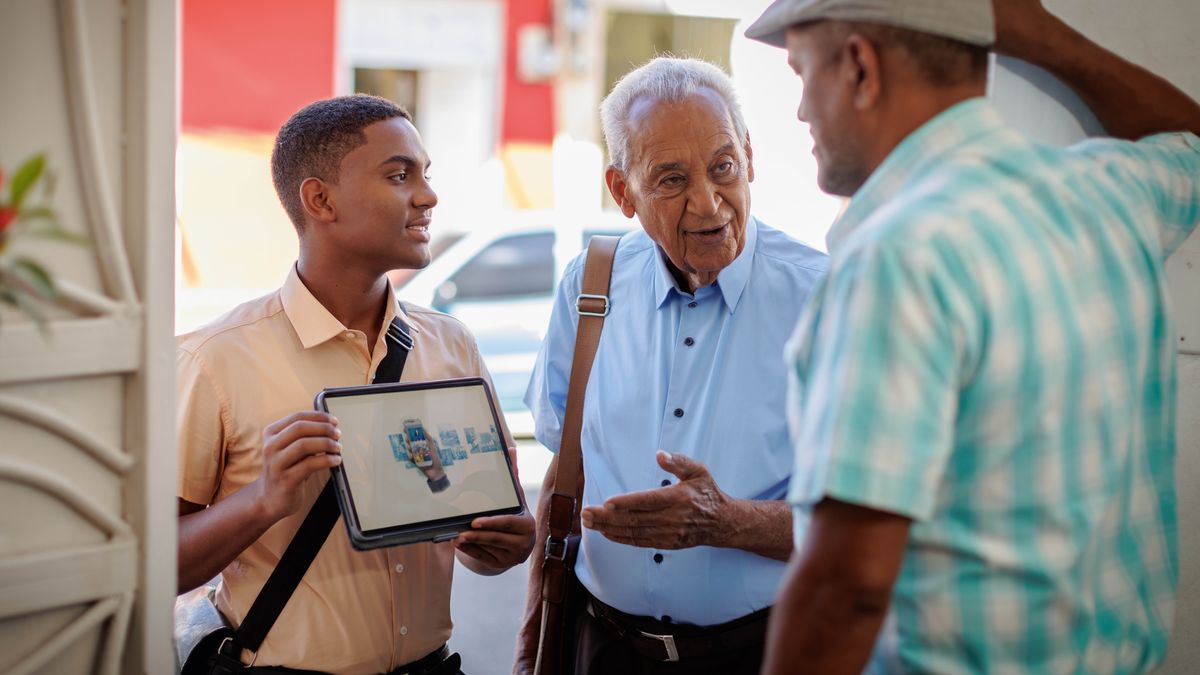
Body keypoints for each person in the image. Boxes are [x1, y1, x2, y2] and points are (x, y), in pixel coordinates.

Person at [743, 0, 1200, 672]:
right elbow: (1187, 134)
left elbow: (845, 590)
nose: (802, 112)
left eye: (802, 72)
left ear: (862, 67)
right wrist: (1036, 33)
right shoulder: (1111, 194)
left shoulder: (896, 259)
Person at [176, 94, 536, 674]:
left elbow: (494, 530)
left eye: (425, 174)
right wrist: (261, 500)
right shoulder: (215, 358)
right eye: (398, 175)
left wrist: (506, 544)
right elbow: (151, 566)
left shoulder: (452, 346)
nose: (428, 195)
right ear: (319, 199)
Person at [514, 57, 828, 675]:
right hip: (601, 649)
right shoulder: (590, 287)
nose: (708, 203)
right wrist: (530, 650)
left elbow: (870, 527)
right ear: (622, 191)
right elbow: (565, 474)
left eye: (723, 168)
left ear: (750, 158)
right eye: (671, 179)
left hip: (764, 652)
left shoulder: (824, 299)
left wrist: (727, 522)